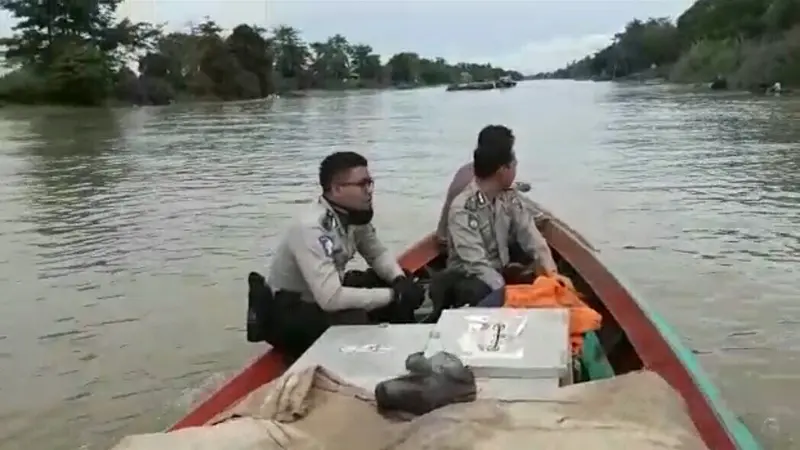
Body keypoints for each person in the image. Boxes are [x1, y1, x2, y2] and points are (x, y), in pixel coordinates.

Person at [247, 151, 426, 361]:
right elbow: (331, 299)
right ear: (337, 189)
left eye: (370, 183)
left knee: (393, 281)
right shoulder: (312, 228)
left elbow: (377, 254)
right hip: (293, 313)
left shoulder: (354, 217)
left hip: (320, 298)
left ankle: (407, 346)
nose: (369, 191)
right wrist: (393, 295)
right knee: (359, 320)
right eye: (362, 184)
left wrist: (399, 280)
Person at [443, 125, 558, 308]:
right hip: (470, 277)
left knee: (538, 278)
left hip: (499, 271)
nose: (516, 165)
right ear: (502, 170)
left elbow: (531, 237)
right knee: (477, 290)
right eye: (513, 162)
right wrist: (507, 295)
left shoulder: (508, 197)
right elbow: (477, 265)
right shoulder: (463, 208)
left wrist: (552, 276)